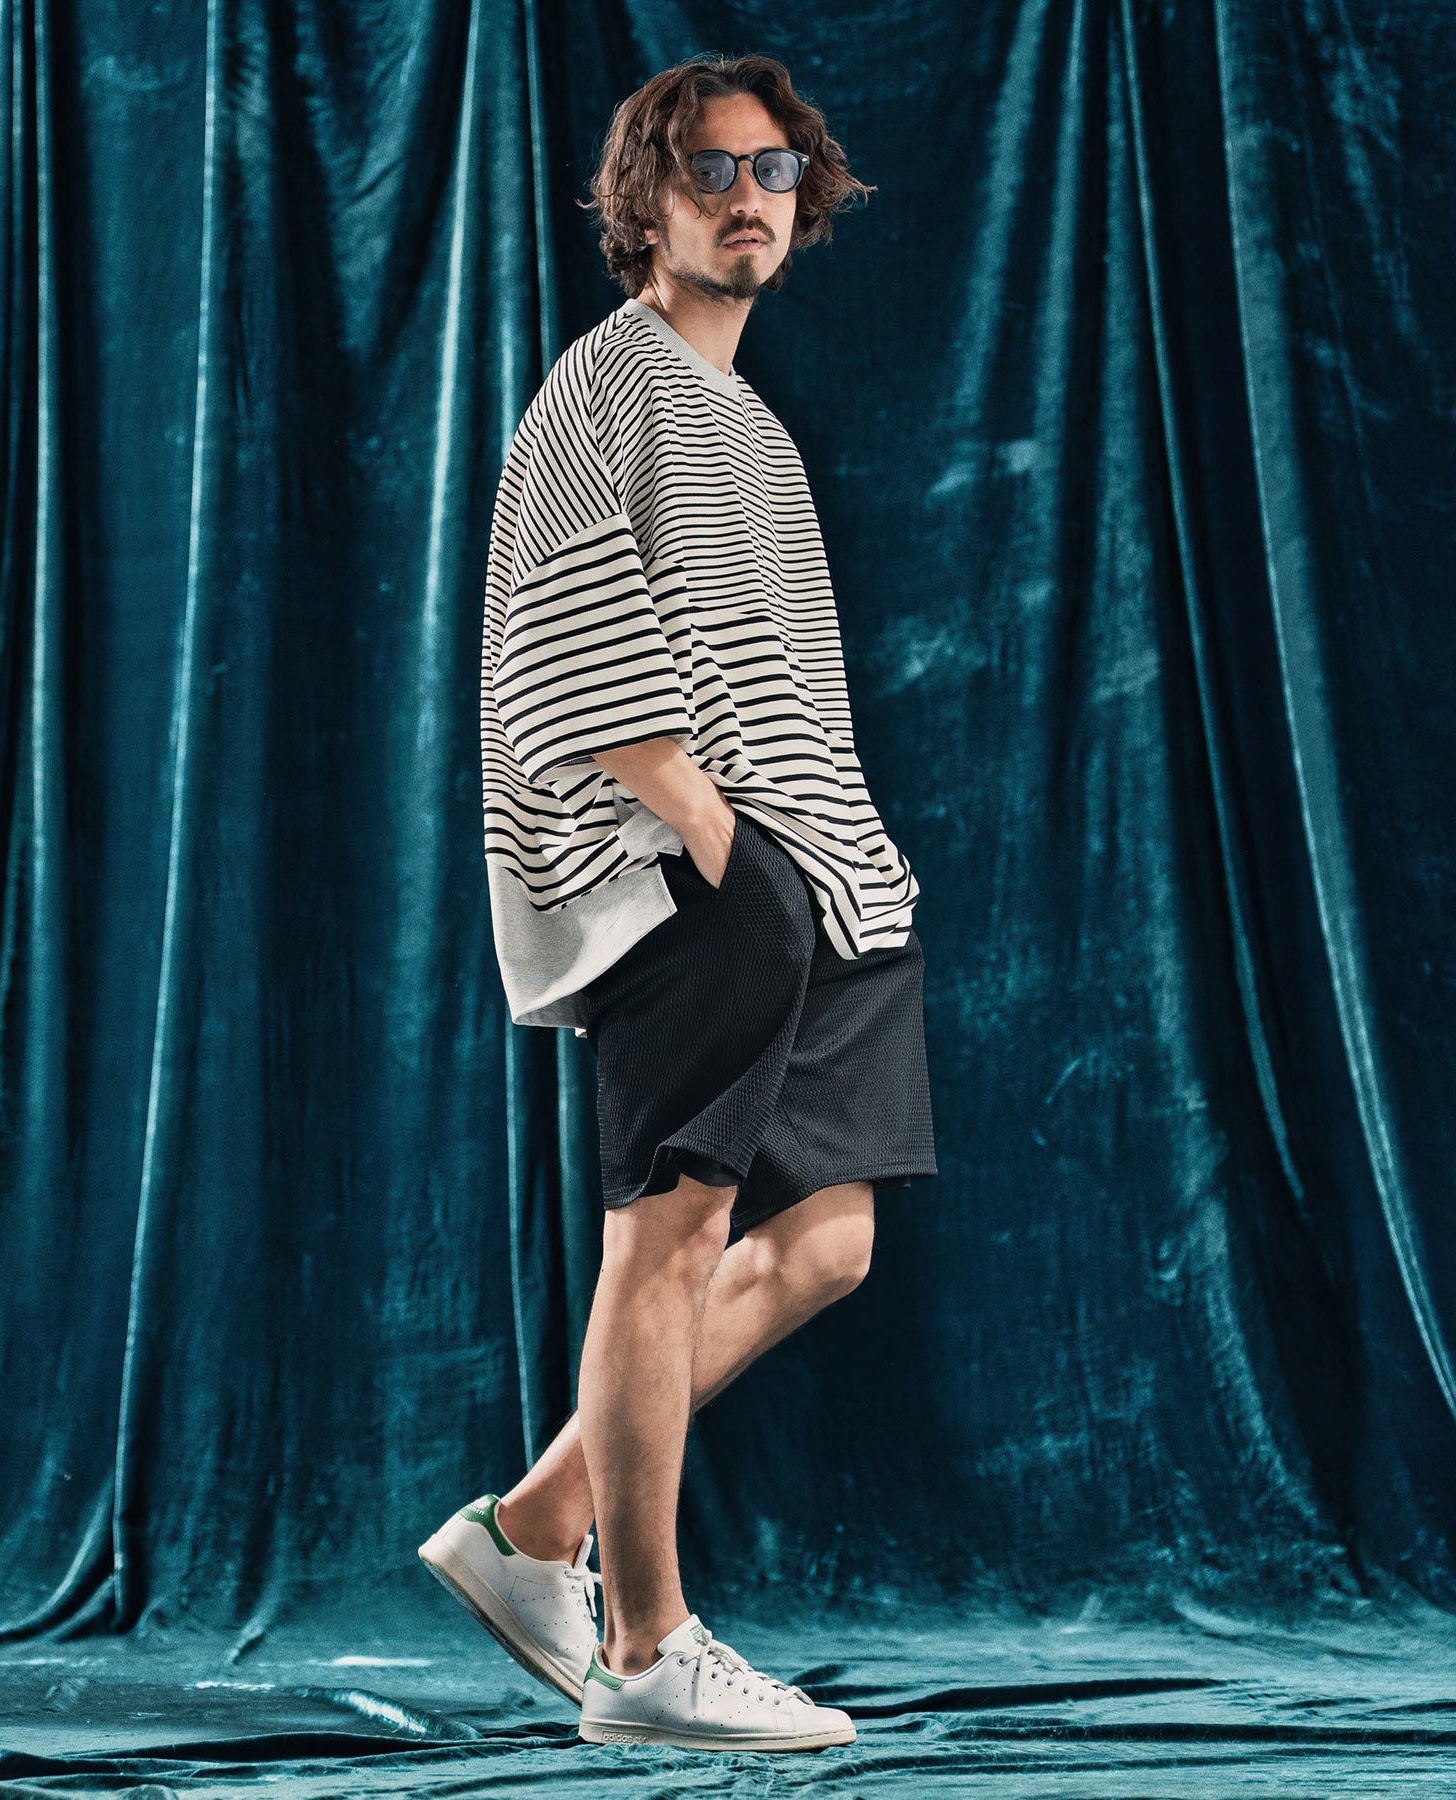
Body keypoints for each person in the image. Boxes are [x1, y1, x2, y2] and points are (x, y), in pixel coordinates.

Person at [419, 50, 937, 1754]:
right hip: (696, 875)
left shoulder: (751, 424)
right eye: (710, 169)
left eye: (773, 170)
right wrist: (716, 838)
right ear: (643, 202)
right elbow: (558, 625)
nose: (747, 198)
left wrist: (830, 861)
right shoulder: (606, 381)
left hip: (815, 873)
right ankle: (644, 1651)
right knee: (673, 1233)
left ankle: (532, 1531)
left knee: (831, 1240)